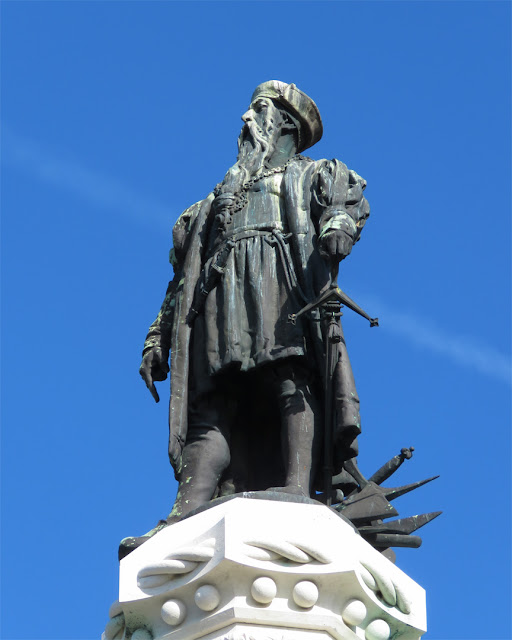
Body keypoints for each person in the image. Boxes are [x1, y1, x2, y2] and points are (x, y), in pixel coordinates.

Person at [119, 81, 370, 558]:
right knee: (212, 403)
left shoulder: (312, 173)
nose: (245, 119)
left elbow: (345, 202)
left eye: (258, 110)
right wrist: (159, 336)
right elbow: (180, 281)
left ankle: (296, 488)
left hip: (281, 284)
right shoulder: (213, 202)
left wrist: (338, 224)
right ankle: (183, 514)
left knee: (287, 375)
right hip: (219, 298)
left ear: (287, 124)